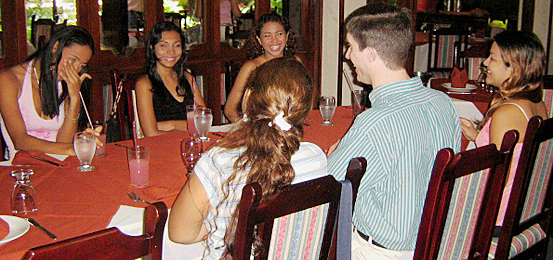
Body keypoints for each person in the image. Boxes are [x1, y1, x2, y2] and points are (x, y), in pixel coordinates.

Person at [326, 3, 461, 259]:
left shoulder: (374, 122)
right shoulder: (442, 102)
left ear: (371, 54)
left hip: (382, 252)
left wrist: (335, 155)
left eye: (351, 47)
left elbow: (328, 191)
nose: (347, 55)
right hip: (436, 243)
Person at [168, 57, 327, 259]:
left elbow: (180, 233)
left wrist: (222, 221)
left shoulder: (220, 160)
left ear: (247, 97)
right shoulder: (315, 158)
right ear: (305, 109)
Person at [460, 30, 548, 226]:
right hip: (522, 211)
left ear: (513, 68)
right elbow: (514, 153)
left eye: (492, 58)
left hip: (497, 217)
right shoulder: (537, 104)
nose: (485, 63)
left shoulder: (507, 113)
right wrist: (477, 136)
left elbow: (496, 177)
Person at [0, 26, 95, 160]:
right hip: (22, 167)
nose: (75, 69)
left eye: (82, 65)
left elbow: (64, 141)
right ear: (55, 47)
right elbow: (20, 141)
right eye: (73, 60)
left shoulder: (67, 82)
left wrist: (75, 98)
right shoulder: (9, 79)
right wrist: (73, 148)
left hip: (59, 164)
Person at [224, 13, 299, 123]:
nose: (274, 40)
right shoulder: (251, 67)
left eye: (279, 34)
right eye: (267, 35)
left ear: (287, 36)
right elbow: (230, 110)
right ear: (259, 40)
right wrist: (248, 130)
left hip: (290, 126)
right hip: (260, 130)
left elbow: (303, 102)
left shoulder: (295, 63)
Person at [135, 21, 205, 137]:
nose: (171, 52)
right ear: (152, 48)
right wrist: (188, 125)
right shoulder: (145, 84)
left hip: (192, 144)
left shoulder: (188, 78)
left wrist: (170, 125)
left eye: (177, 45)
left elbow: (203, 120)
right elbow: (151, 133)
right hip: (162, 147)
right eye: (163, 45)